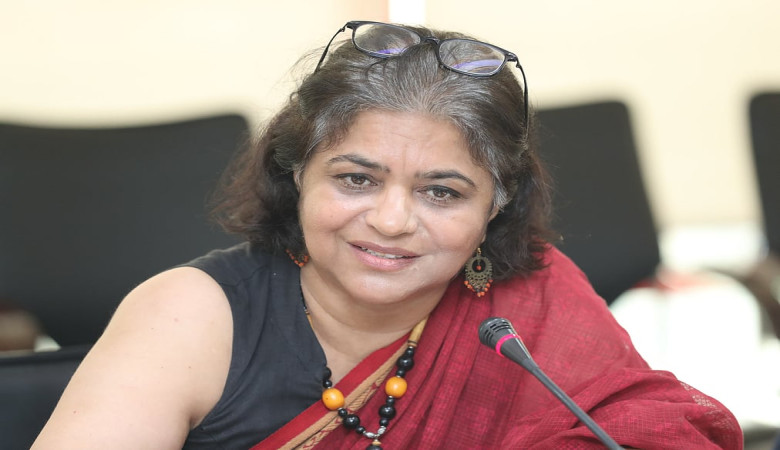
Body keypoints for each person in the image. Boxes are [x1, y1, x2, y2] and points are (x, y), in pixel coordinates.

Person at [33, 20, 742, 449]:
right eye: (356, 179)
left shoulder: (529, 301)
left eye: (442, 192)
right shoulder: (188, 316)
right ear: (296, 173)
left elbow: (652, 429)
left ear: (496, 206)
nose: (393, 220)